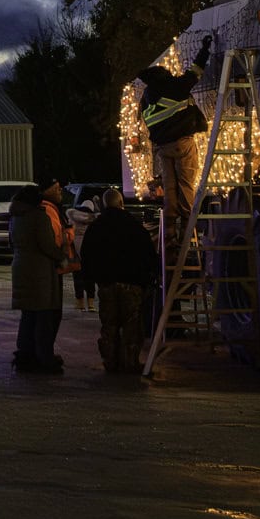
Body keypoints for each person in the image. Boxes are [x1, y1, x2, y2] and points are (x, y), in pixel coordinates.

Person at [137, 32, 214, 252]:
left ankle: (169, 237)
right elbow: (195, 73)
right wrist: (204, 49)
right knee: (187, 185)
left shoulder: (146, 99)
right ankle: (187, 235)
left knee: (169, 190)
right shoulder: (172, 87)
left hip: (163, 149)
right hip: (182, 143)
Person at [79, 188, 159, 374]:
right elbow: (147, 254)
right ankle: (130, 363)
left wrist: (91, 280)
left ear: (104, 204)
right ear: (122, 203)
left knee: (109, 325)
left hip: (106, 283)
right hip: (131, 283)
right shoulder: (133, 226)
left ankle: (111, 362)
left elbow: (87, 255)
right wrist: (148, 277)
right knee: (131, 325)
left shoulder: (96, 227)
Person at [8, 180, 78, 374]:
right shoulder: (38, 217)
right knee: (44, 317)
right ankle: (44, 358)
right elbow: (47, 244)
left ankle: (25, 355)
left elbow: (12, 243)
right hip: (40, 272)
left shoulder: (16, 217)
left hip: (21, 269)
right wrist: (61, 257)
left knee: (28, 315)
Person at [63, 188, 100, 312]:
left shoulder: (72, 217)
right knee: (90, 278)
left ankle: (79, 303)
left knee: (77, 278)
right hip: (89, 253)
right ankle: (90, 303)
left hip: (75, 252)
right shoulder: (93, 220)